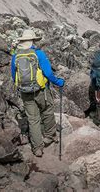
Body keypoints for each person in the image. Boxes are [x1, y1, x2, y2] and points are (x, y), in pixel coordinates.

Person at [11, 29, 65, 157]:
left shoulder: (16, 56)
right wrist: (58, 82)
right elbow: (48, 73)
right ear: (33, 41)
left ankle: (37, 148)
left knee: (33, 119)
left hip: (24, 91)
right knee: (47, 110)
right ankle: (50, 136)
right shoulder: (38, 54)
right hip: (41, 90)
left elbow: (14, 76)